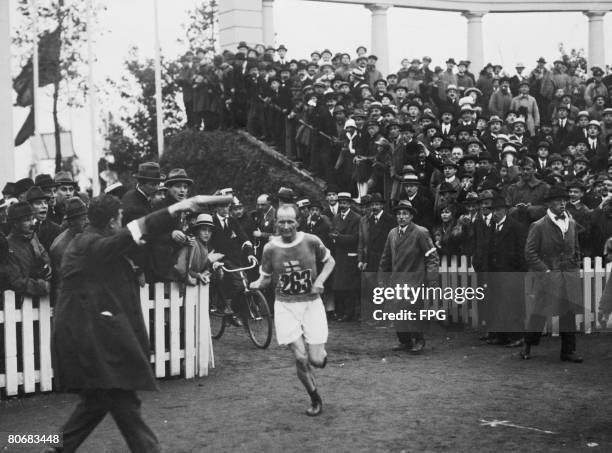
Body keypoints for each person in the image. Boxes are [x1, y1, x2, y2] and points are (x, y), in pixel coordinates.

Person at [50, 193, 230, 453]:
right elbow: (131, 234)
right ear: (112, 221)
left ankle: (50, 448)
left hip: (90, 342)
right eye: (120, 219)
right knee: (124, 403)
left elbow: (133, 239)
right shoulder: (90, 245)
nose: (122, 223)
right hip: (92, 344)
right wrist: (176, 208)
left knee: (96, 404)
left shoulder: (90, 242)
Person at [250, 204, 335, 416]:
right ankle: (315, 398)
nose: (285, 226)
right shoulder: (269, 249)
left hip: (311, 304)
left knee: (316, 360)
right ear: (276, 223)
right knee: (300, 357)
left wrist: (321, 281)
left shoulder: (311, 241)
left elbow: (330, 261)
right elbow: (267, 277)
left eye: (290, 221)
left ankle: (319, 356)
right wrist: (258, 283)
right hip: (285, 306)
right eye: (281, 221)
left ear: (298, 221)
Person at [522, 185, 583, 362]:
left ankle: (568, 351)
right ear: (549, 204)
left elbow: (576, 248)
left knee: (568, 313)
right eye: (558, 200)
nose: (562, 203)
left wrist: (575, 265)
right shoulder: (539, 225)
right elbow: (530, 253)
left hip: (568, 275)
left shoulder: (571, 223)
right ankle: (527, 346)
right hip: (549, 276)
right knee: (540, 312)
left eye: (564, 200)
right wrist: (545, 270)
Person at [378, 200, 439, 353]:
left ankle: (419, 340)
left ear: (411, 216)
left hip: (415, 279)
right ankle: (404, 341)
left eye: (405, 214)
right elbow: (385, 258)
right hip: (396, 280)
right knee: (397, 311)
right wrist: (381, 278)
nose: (401, 217)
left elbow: (432, 257)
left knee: (412, 310)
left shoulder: (420, 232)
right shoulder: (392, 233)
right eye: (399, 214)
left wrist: (432, 279)